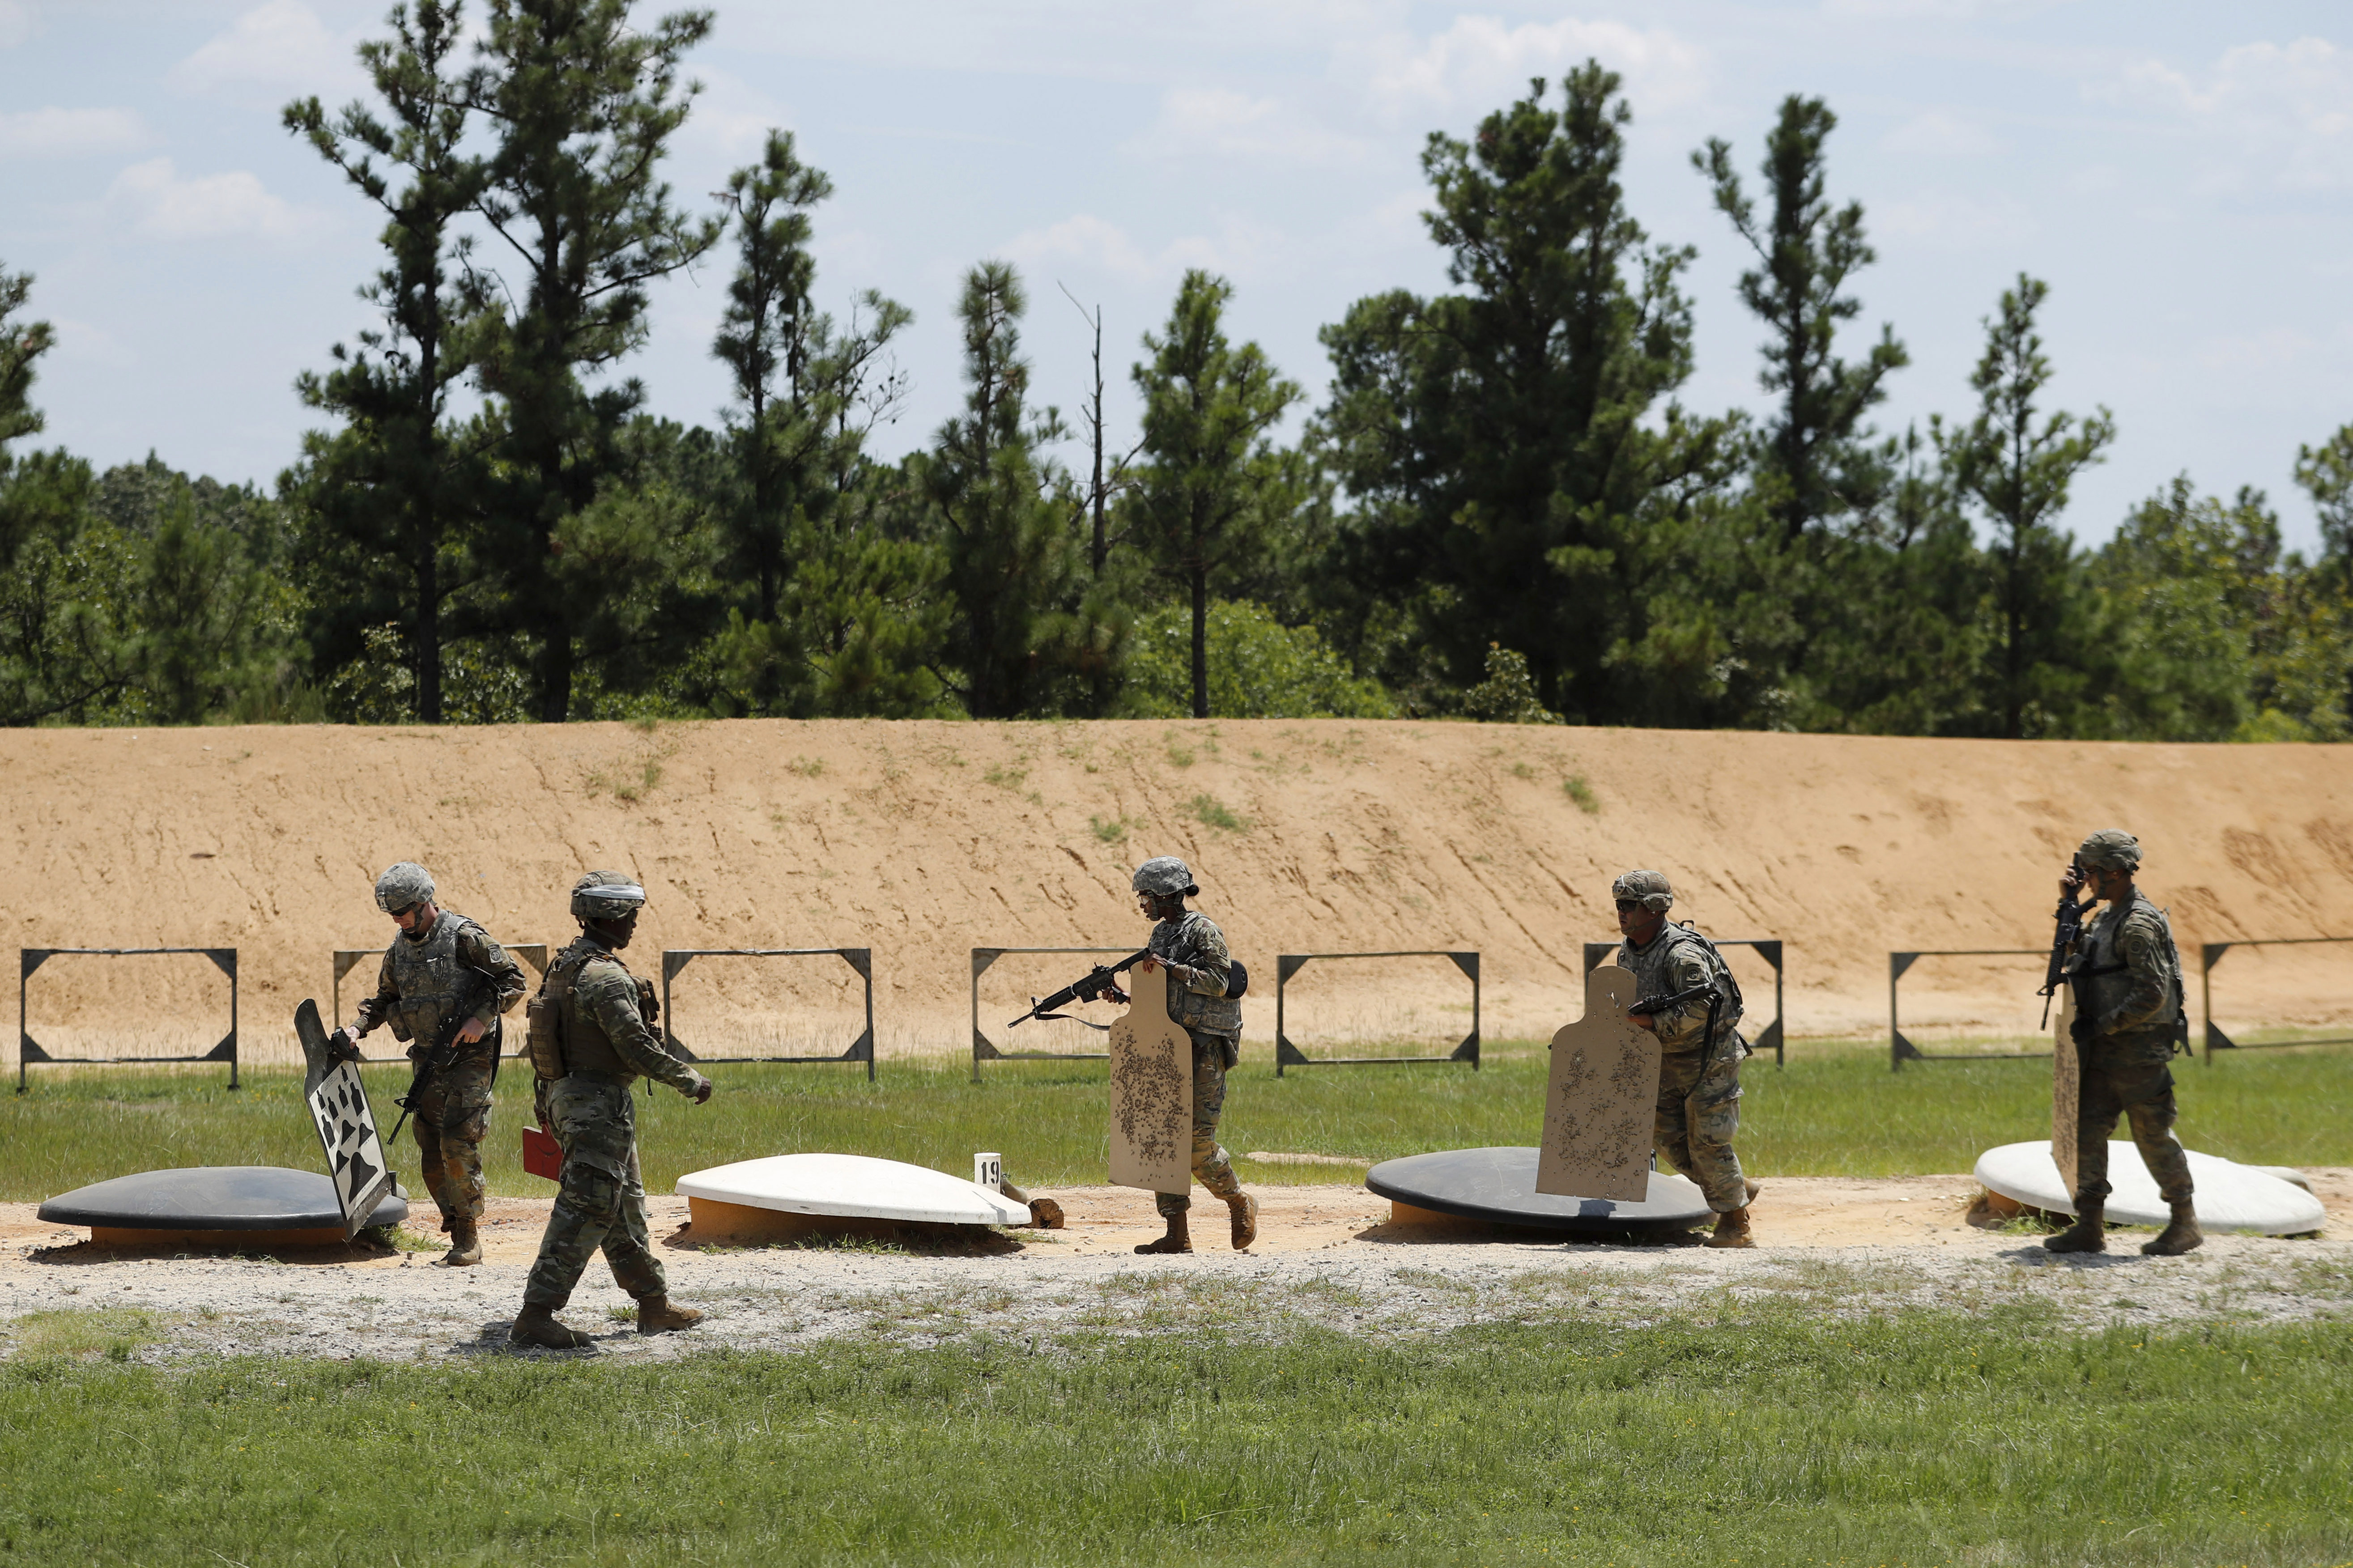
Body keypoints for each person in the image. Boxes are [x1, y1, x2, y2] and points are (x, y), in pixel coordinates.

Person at [510, 871, 714, 1350]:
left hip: (575, 1101)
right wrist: (690, 1080)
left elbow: (544, 1042)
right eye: (632, 916)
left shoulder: (565, 968)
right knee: (586, 1208)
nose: (635, 926)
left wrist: (546, 1105)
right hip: (595, 1107)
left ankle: (653, 1304)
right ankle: (536, 1314)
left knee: (622, 1207)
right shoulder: (603, 977)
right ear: (614, 916)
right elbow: (636, 1046)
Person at [335, 862, 526, 1267]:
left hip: (470, 1058)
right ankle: (455, 1221)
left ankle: (469, 1238)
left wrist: (481, 1018)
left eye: (403, 911)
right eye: (392, 913)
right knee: (430, 1149)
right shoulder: (399, 950)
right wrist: (356, 1029)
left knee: (458, 1142)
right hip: (427, 1061)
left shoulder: (464, 937)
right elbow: (384, 1000)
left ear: (424, 903)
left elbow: (512, 980)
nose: (398, 919)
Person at [2046, 829, 2200, 1256]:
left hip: (2136, 1055)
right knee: (2087, 1133)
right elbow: (2081, 959)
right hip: (2102, 1053)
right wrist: (2067, 904)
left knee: (2152, 1137)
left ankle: (2185, 1223)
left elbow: (2153, 992)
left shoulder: (2138, 922)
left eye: (2091, 872)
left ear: (2114, 871)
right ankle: (2089, 1226)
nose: (2087, 879)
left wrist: (2104, 1025)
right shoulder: (2106, 916)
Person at [1106, 855, 1257, 1254]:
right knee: (1161, 1135)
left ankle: (1238, 1201)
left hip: (1204, 1046)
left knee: (1195, 1142)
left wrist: (1171, 967)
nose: (1142, 904)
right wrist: (1123, 996)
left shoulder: (1204, 930)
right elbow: (1160, 995)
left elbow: (1222, 981)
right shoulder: (1159, 936)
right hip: (1166, 1048)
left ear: (1167, 894)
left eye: (1146, 896)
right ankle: (1177, 1232)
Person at [1613, 869, 1759, 1248]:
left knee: (1707, 1143)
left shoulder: (1682, 953)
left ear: (1655, 909)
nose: (1622, 913)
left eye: (1630, 905)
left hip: (1709, 1057)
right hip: (1666, 1057)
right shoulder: (1628, 950)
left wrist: (1649, 1022)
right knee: (1666, 1137)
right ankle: (1734, 1185)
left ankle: (1734, 1225)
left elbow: (1703, 1010)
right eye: (1619, 905)